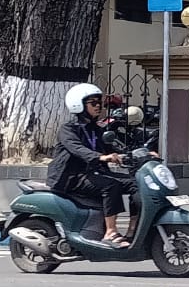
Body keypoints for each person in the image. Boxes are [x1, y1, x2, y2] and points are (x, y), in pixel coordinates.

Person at [46, 83, 136, 247]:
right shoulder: (68, 129)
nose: (98, 106)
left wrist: (139, 154)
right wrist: (101, 157)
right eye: (93, 103)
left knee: (135, 184)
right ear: (79, 105)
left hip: (94, 174)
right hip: (73, 177)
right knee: (111, 185)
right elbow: (77, 149)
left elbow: (114, 147)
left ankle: (133, 232)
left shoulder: (96, 129)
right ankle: (110, 233)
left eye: (99, 103)